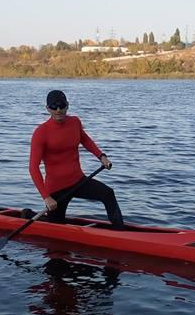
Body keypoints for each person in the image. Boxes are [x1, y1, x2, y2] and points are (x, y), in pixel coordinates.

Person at [29, 89, 124, 229]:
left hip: (78, 181)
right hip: (56, 190)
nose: (58, 110)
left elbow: (85, 140)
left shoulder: (75, 122)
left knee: (108, 193)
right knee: (56, 231)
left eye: (62, 106)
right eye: (54, 107)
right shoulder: (41, 133)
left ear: (67, 105)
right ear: (47, 108)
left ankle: (120, 231)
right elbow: (33, 168)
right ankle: (27, 215)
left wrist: (101, 156)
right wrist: (46, 197)